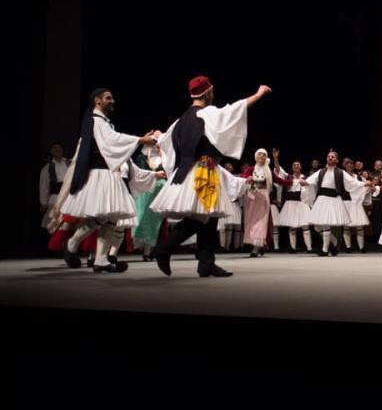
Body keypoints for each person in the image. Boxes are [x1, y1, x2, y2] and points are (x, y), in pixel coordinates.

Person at [150, 77, 272, 277]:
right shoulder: (207, 113)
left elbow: (166, 141)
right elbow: (234, 110)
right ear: (206, 93)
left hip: (188, 170)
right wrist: (258, 95)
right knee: (201, 218)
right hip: (203, 171)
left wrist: (158, 137)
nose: (213, 95)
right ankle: (164, 248)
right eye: (212, 91)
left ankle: (206, 263)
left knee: (210, 217)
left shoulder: (181, 119)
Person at [55, 88, 161, 273]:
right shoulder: (96, 121)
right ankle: (76, 245)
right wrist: (140, 140)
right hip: (101, 173)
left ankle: (99, 258)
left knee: (110, 217)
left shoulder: (104, 122)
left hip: (109, 173)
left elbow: (115, 143)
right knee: (104, 216)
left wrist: (140, 141)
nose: (112, 101)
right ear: (98, 101)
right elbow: (112, 141)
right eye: (108, 98)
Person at [300, 151, 373, 257]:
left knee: (325, 224)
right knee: (317, 227)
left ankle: (325, 250)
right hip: (321, 199)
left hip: (333, 199)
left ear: (337, 160)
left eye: (333, 157)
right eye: (328, 156)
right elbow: (311, 180)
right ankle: (335, 242)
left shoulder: (340, 172)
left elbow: (352, 183)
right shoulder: (321, 171)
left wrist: (364, 183)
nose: (330, 158)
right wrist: (305, 182)